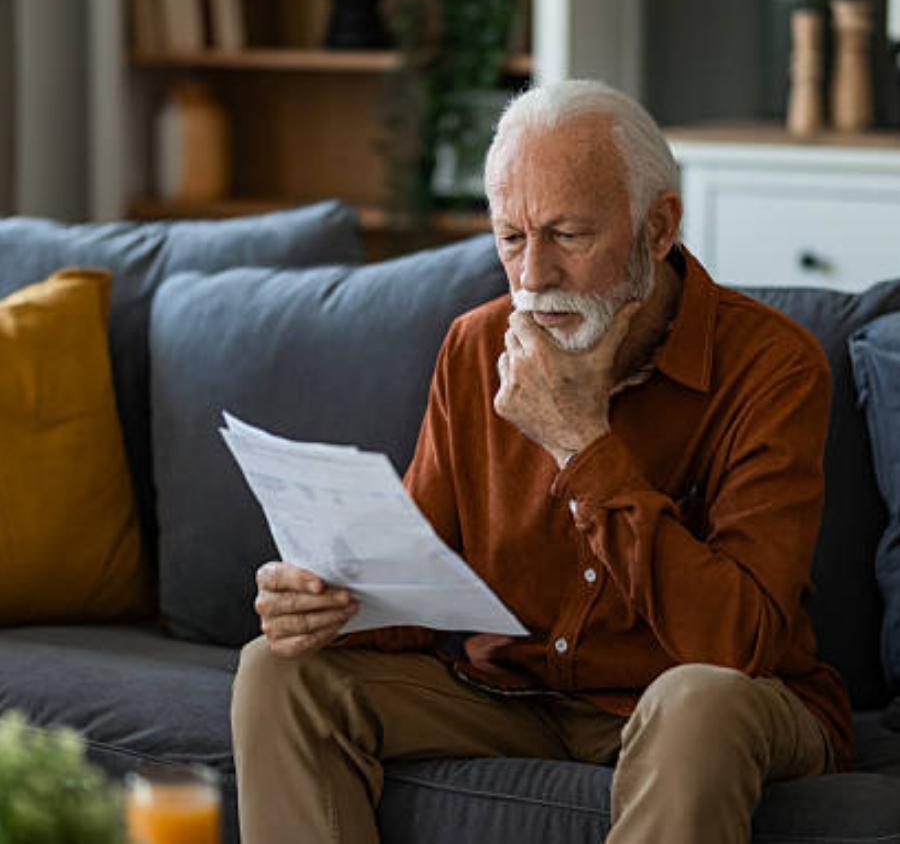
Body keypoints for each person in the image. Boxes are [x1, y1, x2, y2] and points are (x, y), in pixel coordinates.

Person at [231, 79, 852, 844]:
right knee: (279, 671)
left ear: (657, 229)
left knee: (698, 701)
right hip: (509, 698)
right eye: (512, 238)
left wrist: (581, 443)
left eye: (567, 236)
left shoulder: (774, 366)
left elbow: (737, 644)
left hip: (711, 703)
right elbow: (417, 588)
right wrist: (325, 602)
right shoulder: (473, 346)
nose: (532, 278)